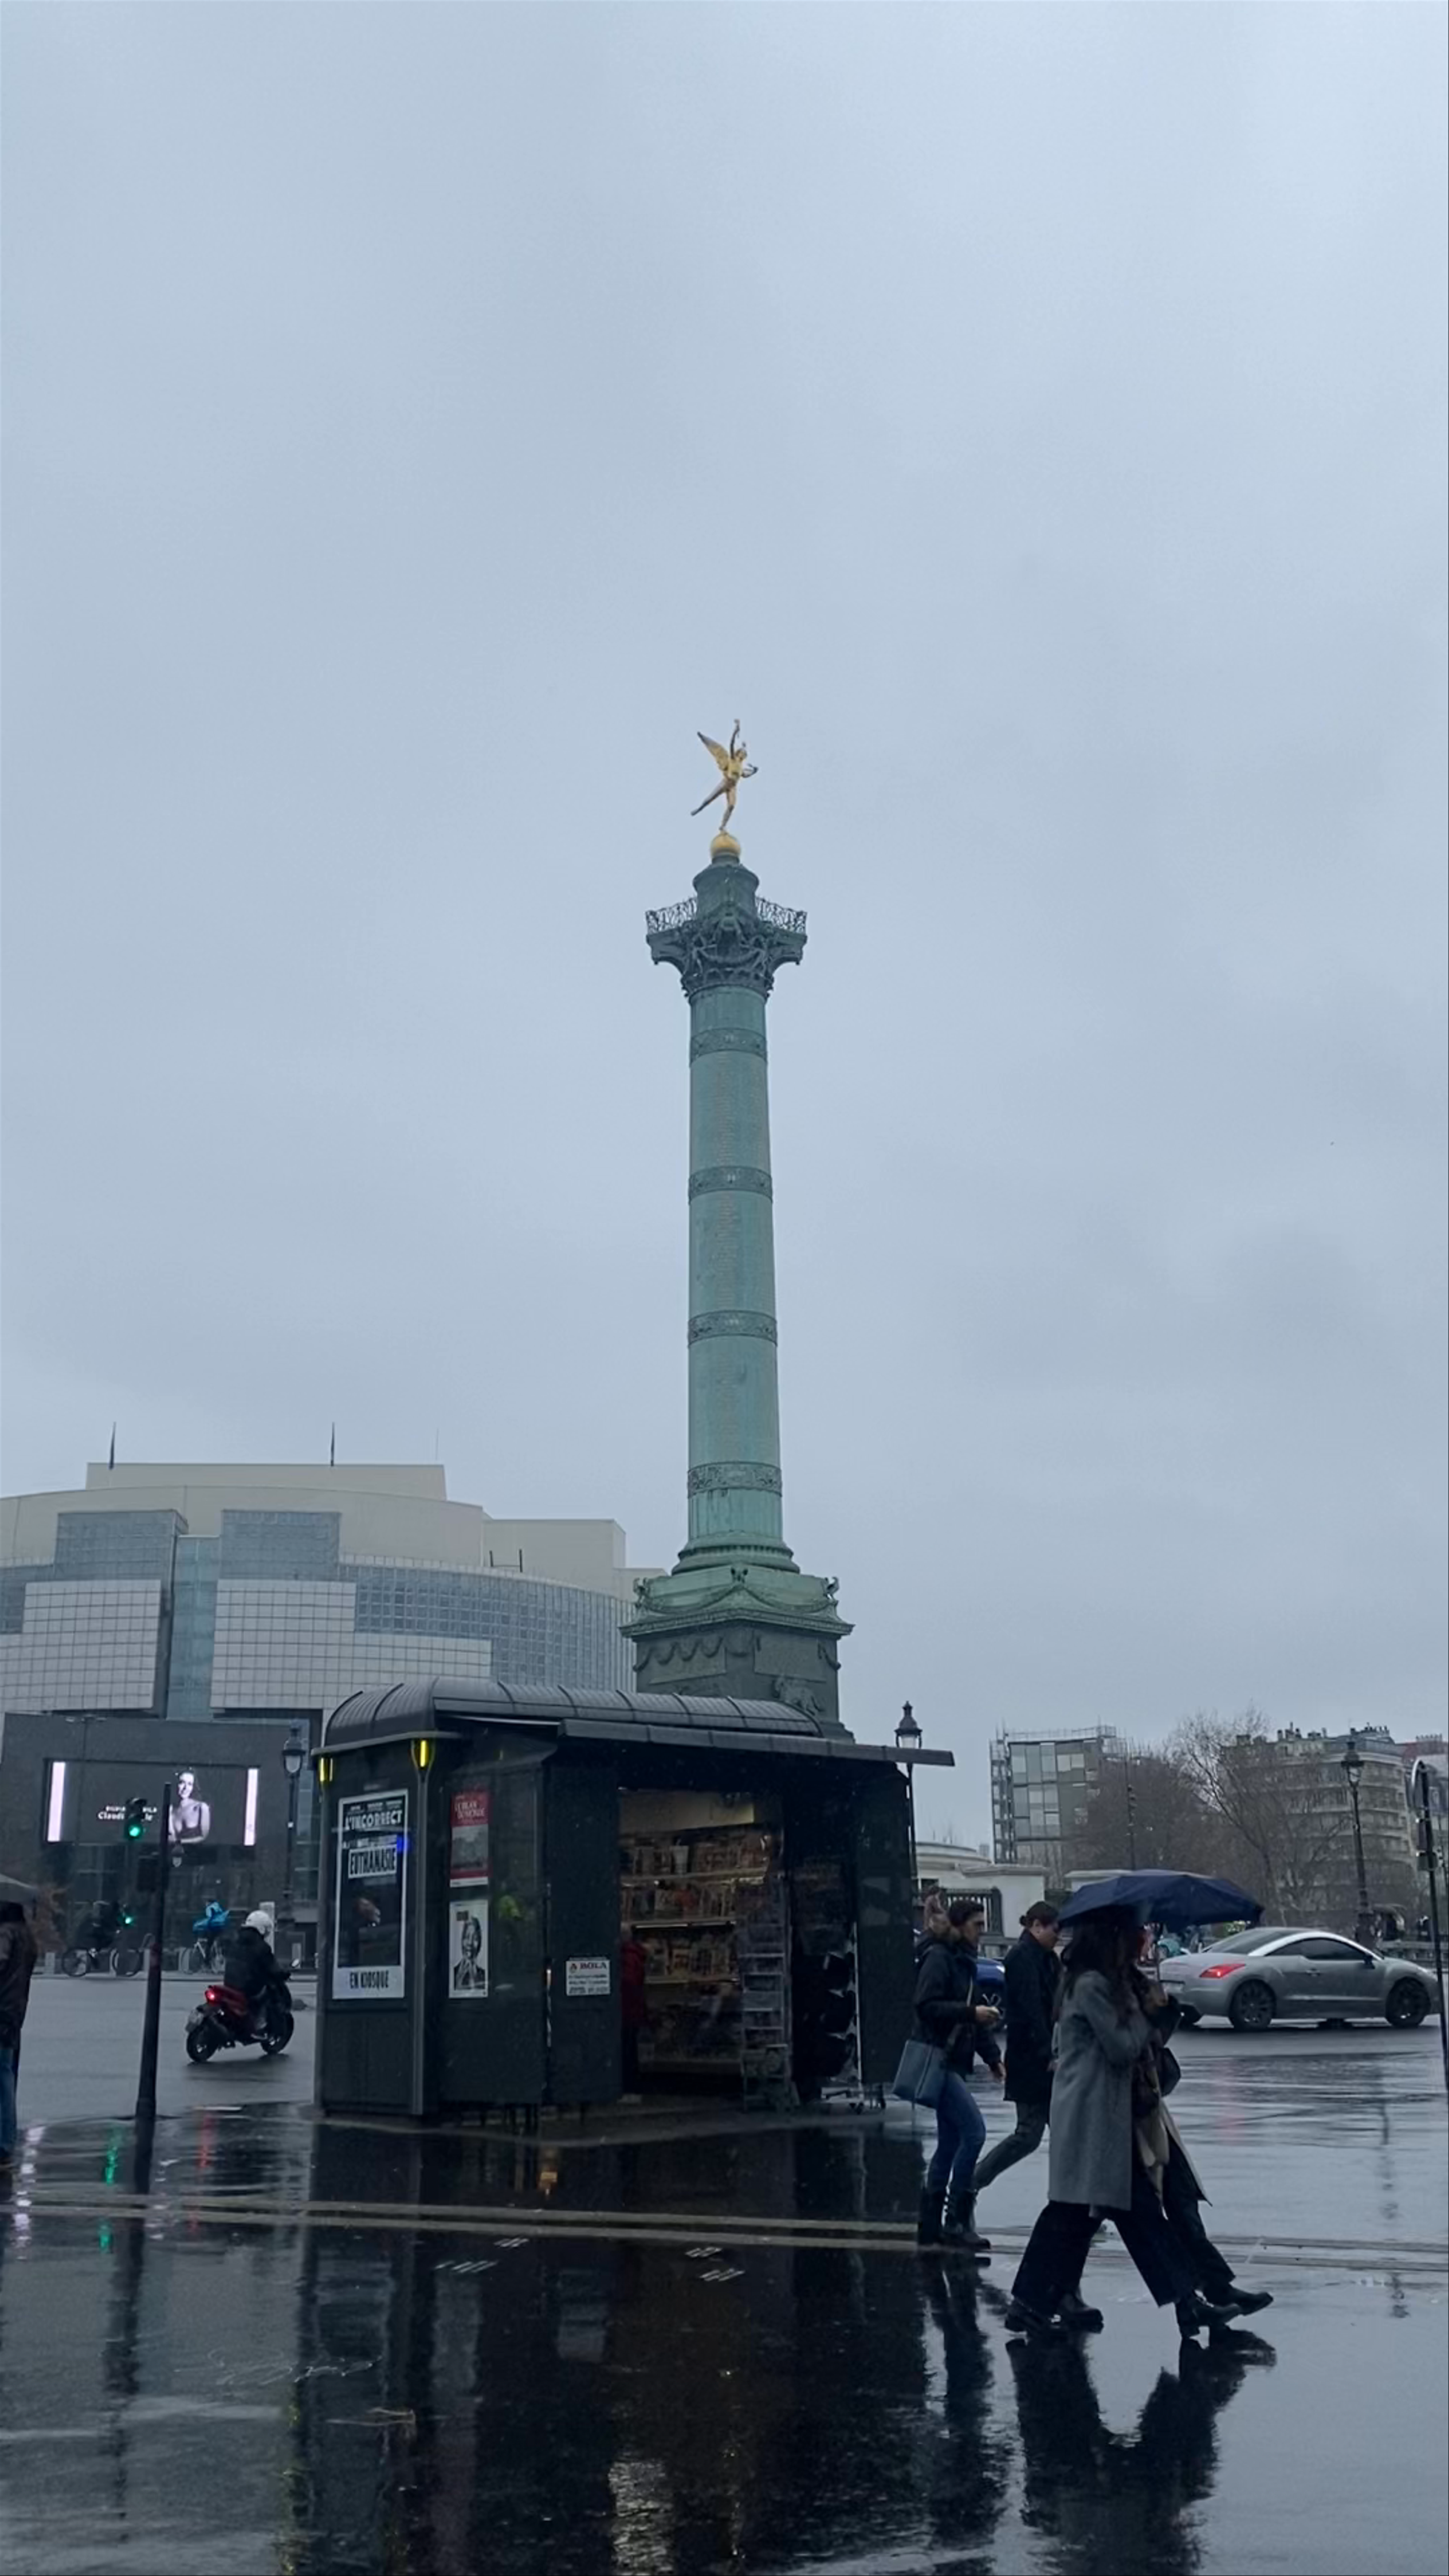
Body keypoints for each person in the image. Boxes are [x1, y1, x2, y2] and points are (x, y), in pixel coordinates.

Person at [1004, 1909, 1237, 2341]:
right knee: (1097, 2214)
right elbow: (1121, 2046)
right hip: (1093, 2121)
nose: (1144, 1938)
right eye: (1136, 1933)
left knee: (1090, 2215)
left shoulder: (1099, 1982)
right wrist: (1147, 2014)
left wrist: (1150, 2010)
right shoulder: (1093, 1985)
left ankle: (1033, 2302)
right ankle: (1184, 2302)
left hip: (1105, 2119)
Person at [913, 1897, 1004, 2252]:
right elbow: (926, 2005)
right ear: (960, 1924)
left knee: (950, 2143)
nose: (982, 1931)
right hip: (938, 2059)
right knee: (975, 2132)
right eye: (978, 1924)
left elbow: (977, 2015)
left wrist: (994, 2057)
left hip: (950, 2060)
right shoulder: (941, 1958)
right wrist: (970, 2013)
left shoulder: (963, 1960)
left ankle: (932, 2226)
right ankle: (956, 2220)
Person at [973, 1903, 1061, 2197]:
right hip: (1033, 2061)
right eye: (1054, 1930)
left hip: (1042, 2059)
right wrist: (1048, 2052)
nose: (1058, 1937)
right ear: (1037, 1925)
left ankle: (1074, 2202)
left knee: (1064, 2135)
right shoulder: (1023, 1958)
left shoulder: (1046, 1958)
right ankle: (972, 2182)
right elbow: (1031, 2010)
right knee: (1028, 2135)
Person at [0, 1901, 39, 2170]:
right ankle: (6, 2141)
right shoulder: (27, 1937)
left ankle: (4, 2143)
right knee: (7, 2074)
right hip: (15, 2012)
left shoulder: (6, 1933)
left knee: (2, 2076)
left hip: (1, 2010)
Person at [224, 1908, 283, 2036]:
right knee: (266, 1994)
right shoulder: (262, 1947)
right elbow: (271, 1967)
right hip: (247, 1986)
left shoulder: (237, 1941)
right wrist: (282, 1974)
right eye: (266, 1930)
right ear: (261, 1928)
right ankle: (259, 2024)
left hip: (229, 1983)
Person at [620, 1933, 648, 2093]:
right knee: (630, 2048)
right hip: (633, 2010)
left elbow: (628, 1982)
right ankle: (632, 2085)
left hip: (626, 2010)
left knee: (627, 2049)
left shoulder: (627, 1957)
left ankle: (630, 2086)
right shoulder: (635, 1955)